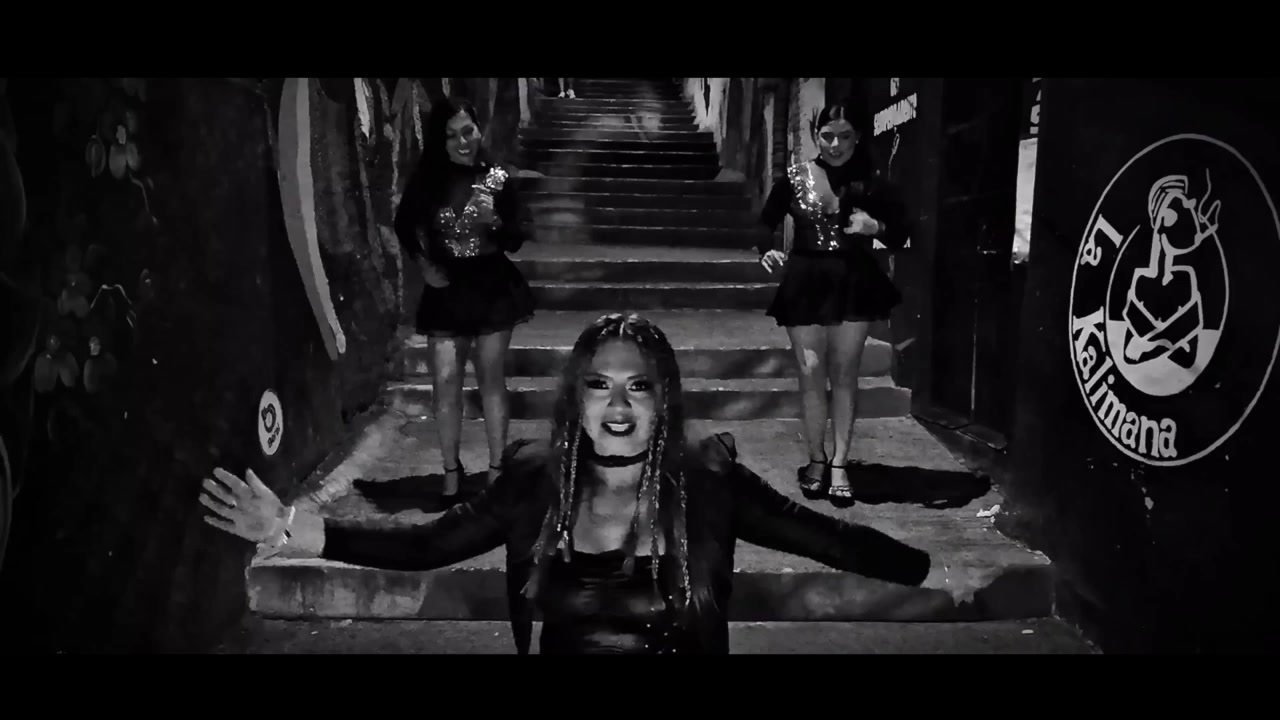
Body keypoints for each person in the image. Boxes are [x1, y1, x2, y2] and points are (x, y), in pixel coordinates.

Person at [200, 313, 933, 655]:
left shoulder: (709, 480)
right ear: (575, 398)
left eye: (638, 387)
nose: (618, 407)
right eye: (599, 385)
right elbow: (427, 546)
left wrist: (928, 570)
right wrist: (286, 525)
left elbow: (824, 537)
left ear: (665, 400)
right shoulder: (532, 478)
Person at [758, 100, 910, 509]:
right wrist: (765, 249)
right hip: (805, 280)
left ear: (857, 137)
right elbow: (766, 220)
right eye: (827, 136)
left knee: (844, 374)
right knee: (810, 372)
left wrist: (875, 226)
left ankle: (840, 463)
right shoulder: (795, 177)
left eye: (845, 136)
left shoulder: (871, 181)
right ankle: (816, 458)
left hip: (853, 281)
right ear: (816, 135)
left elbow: (902, 231)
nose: (836, 144)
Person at [393, 97, 535, 502]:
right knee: (445, 381)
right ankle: (451, 472)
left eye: (468, 131)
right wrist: (423, 265)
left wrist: (497, 221)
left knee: (491, 378)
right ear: (441, 140)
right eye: (452, 135)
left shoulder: (497, 178)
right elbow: (404, 224)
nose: (462, 141)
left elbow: (516, 238)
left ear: (478, 129)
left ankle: (496, 471)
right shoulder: (429, 180)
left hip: (492, 287)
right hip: (447, 289)